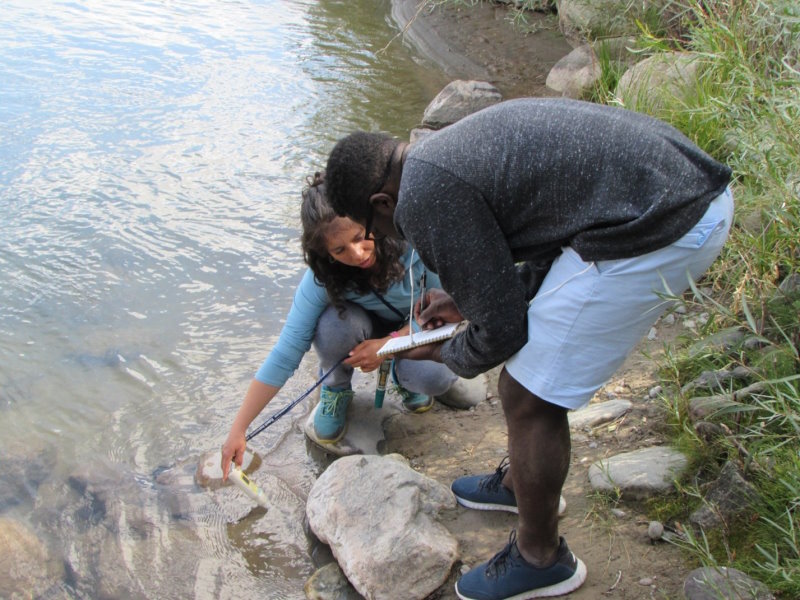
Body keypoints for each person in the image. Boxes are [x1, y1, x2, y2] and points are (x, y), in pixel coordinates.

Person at [324, 97, 733, 600]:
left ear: (383, 203)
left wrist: (439, 352)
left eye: (373, 229)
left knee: (526, 394)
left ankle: (541, 558)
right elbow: (549, 232)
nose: (384, 238)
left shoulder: (424, 196)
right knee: (528, 376)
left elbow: (502, 332)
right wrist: (468, 298)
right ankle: (521, 486)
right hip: (676, 190)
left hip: (665, 222)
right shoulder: (432, 156)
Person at [221, 172, 458, 479]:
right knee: (332, 324)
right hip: (359, 327)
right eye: (339, 250)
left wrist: (388, 347)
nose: (357, 254)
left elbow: (447, 315)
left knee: (436, 377)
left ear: (372, 219)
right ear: (324, 253)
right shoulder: (321, 277)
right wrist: (238, 429)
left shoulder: (415, 241)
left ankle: (403, 378)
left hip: (415, 327)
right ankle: (335, 390)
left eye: (359, 237)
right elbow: (286, 352)